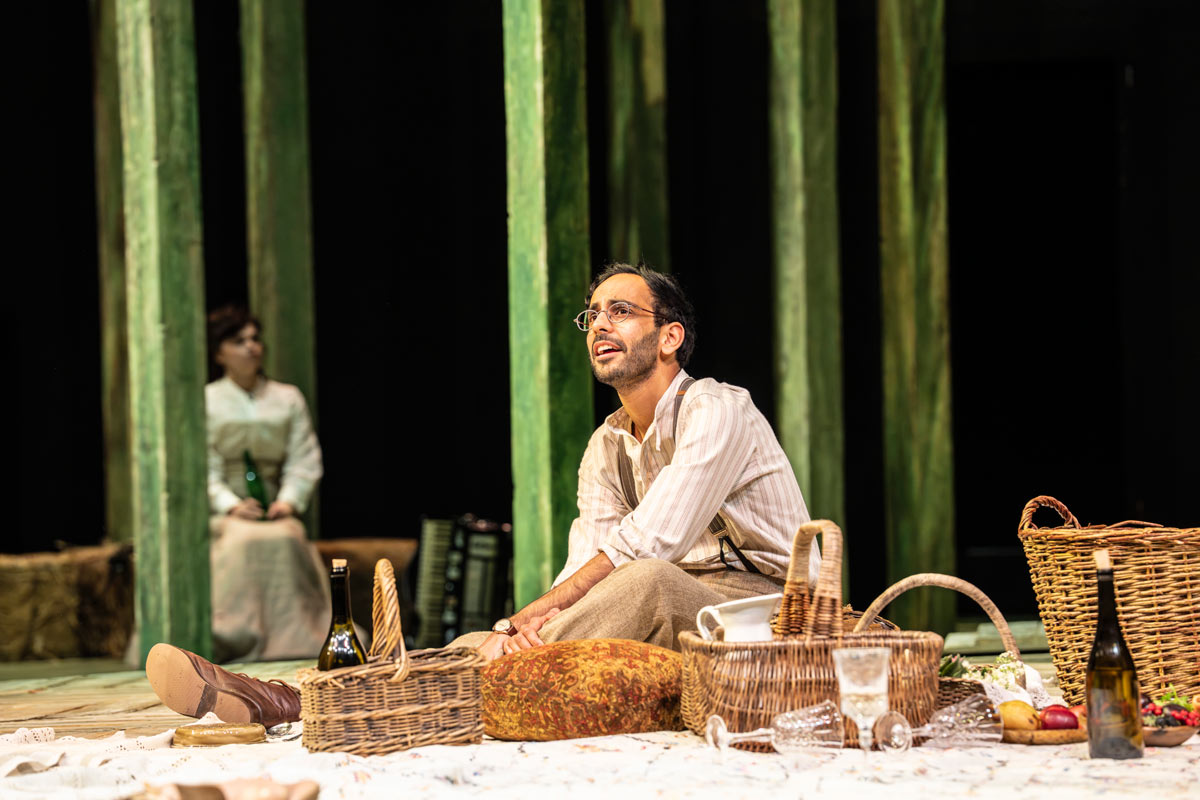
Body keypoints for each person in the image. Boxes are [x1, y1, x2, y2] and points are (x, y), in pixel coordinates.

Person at [459, 263, 821, 662]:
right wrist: (526, 626)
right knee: (480, 642)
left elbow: (648, 545)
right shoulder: (606, 445)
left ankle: (508, 670)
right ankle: (445, 672)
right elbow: (584, 566)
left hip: (772, 609)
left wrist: (518, 625)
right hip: (676, 599)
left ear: (669, 337)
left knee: (650, 581)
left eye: (621, 311)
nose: (599, 325)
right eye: (593, 314)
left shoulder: (716, 409)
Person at [204, 306, 329, 663]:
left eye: (256, 339)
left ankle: (296, 638)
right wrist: (229, 503)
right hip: (228, 509)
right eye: (239, 341)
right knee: (241, 540)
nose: (251, 347)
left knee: (287, 535)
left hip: (274, 506)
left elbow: (303, 456)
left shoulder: (287, 397)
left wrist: (288, 501)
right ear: (219, 353)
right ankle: (232, 636)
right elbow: (203, 465)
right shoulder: (208, 399)